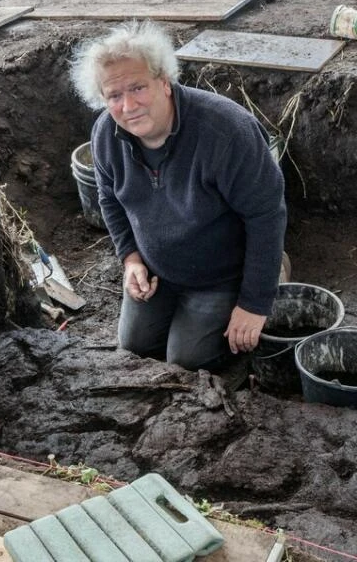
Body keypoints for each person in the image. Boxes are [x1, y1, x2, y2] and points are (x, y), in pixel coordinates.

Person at [69, 20, 287, 370]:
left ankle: (275, 270)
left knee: (186, 362)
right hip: (159, 270)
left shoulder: (226, 132)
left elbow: (266, 215)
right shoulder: (106, 135)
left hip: (220, 273)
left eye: (138, 87)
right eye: (114, 96)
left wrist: (254, 303)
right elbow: (108, 197)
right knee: (134, 348)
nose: (128, 106)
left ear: (164, 81)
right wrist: (130, 259)